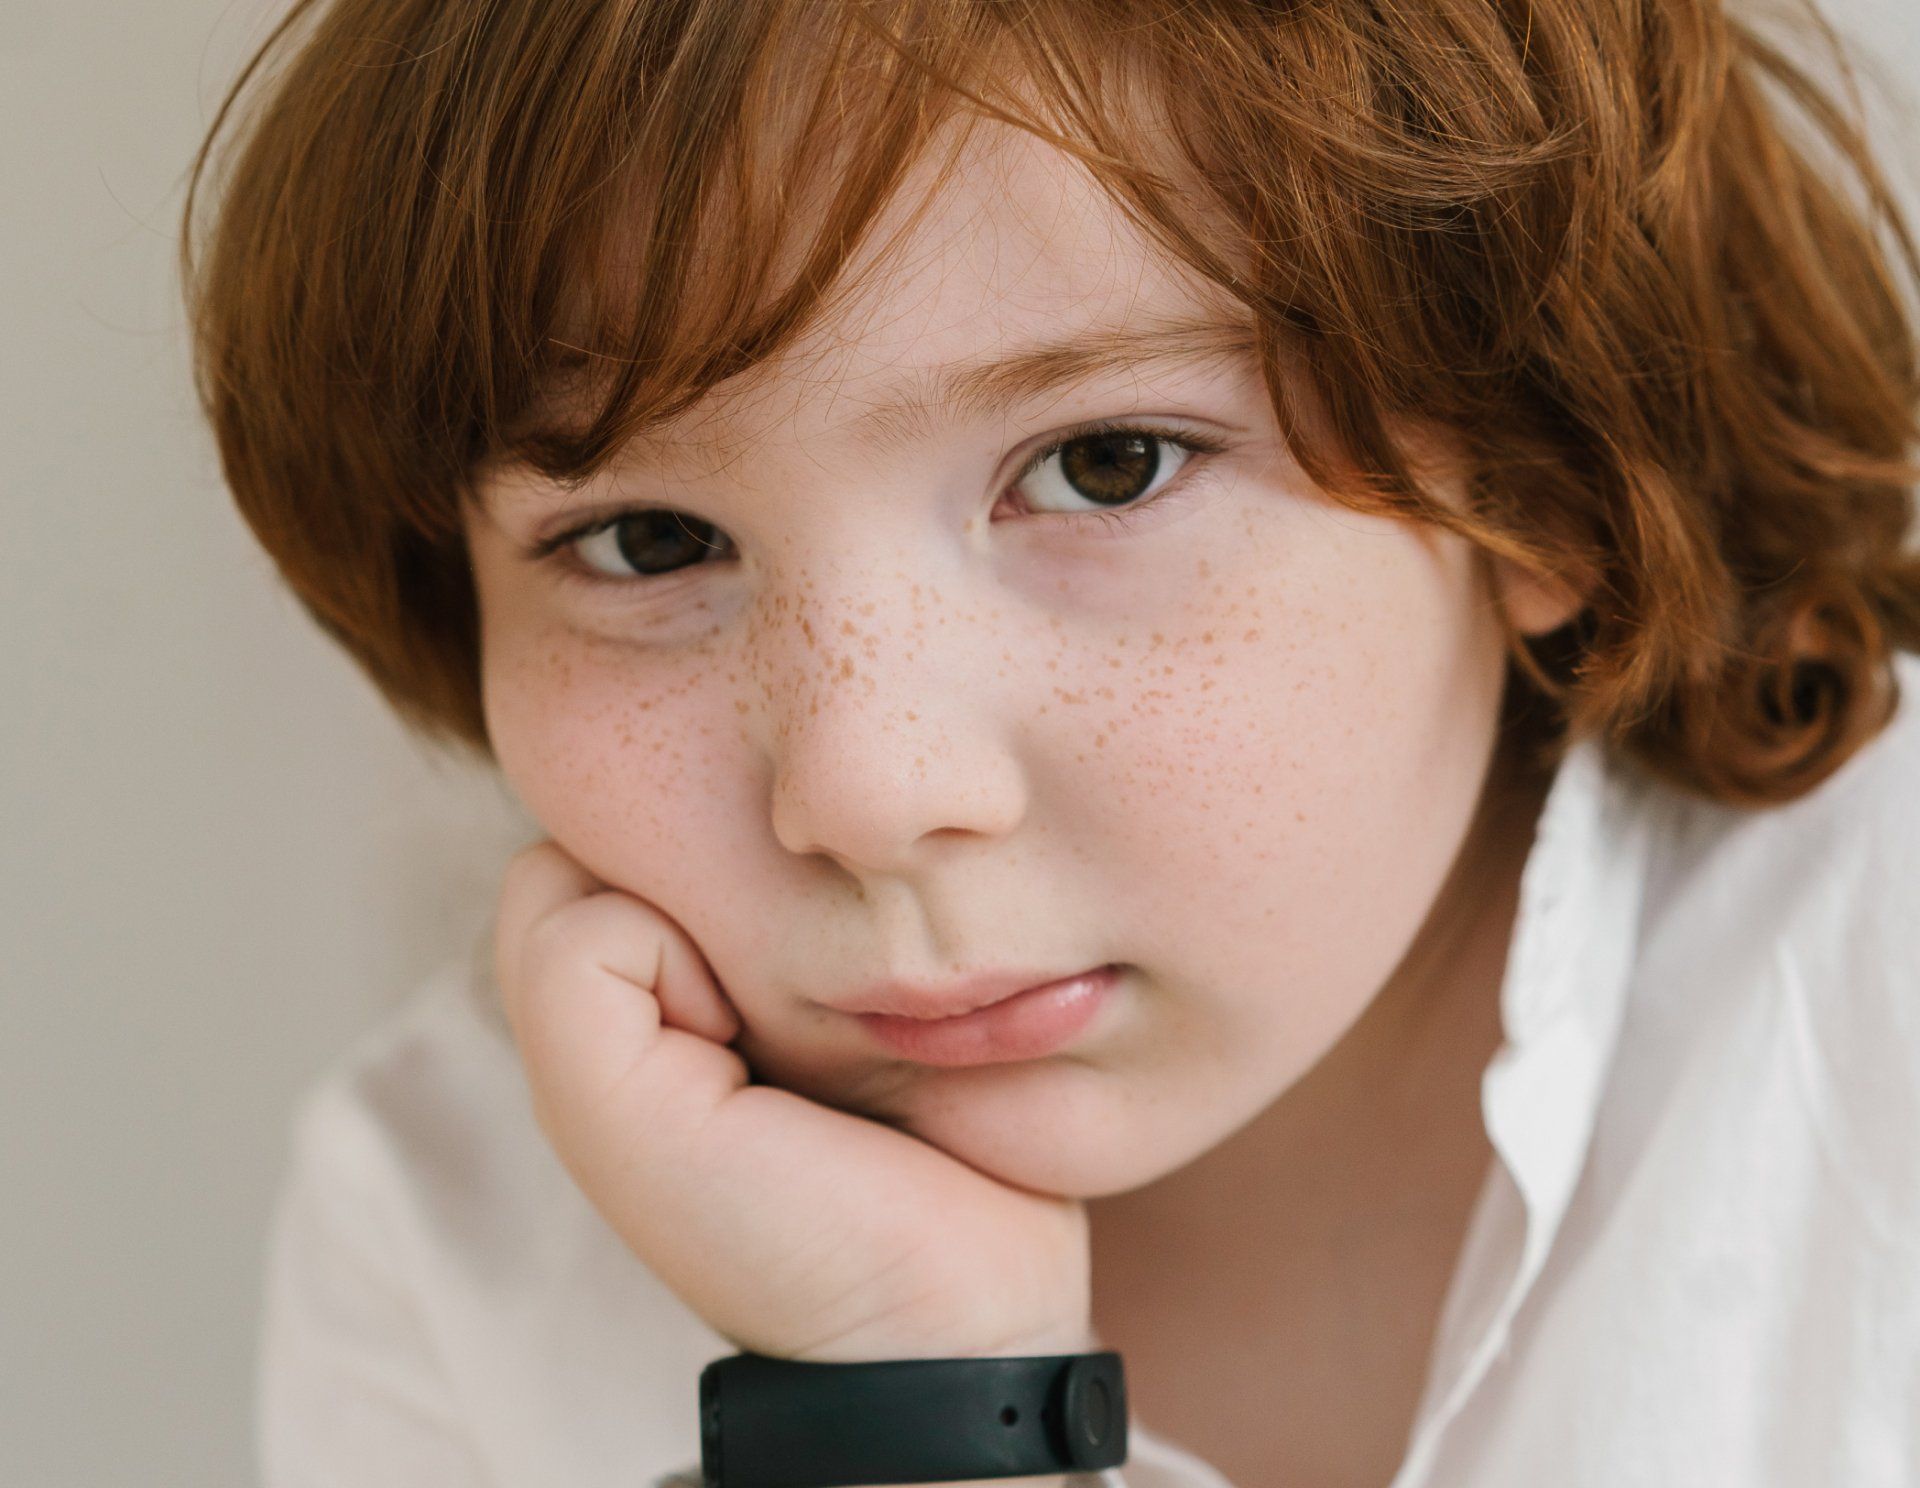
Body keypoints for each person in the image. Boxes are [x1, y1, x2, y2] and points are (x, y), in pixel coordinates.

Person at [181, 0, 1920, 1484]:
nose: (866, 790)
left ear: (1536, 464)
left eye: (1106, 465)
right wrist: (905, 1399)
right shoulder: (447, 1227)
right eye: (648, 544)